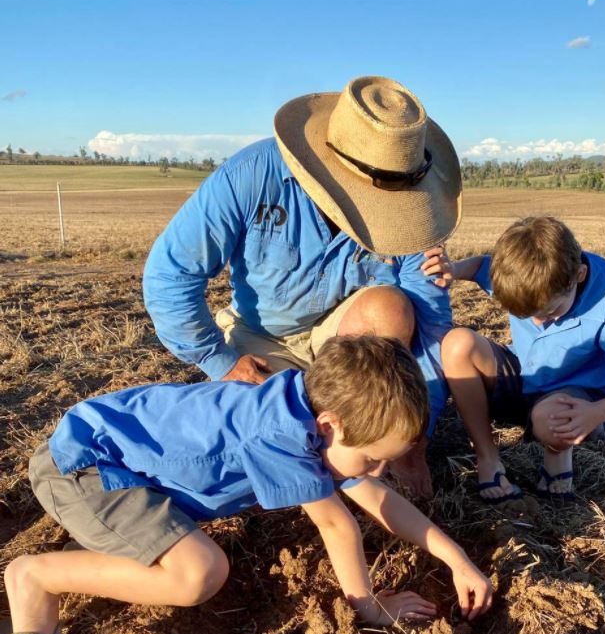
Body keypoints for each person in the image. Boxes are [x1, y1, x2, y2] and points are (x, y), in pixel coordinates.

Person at [1, 336, 493, 634]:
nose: (378, 471)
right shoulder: (279, 434)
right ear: (329, 425)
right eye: (371, 457)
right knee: (199, 572)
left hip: (122, 464)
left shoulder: (312, 412)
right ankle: (36, 576)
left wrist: (458, 560)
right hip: (83, 470)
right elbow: (338, 526)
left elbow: (376, 498)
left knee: (197, 559)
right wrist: (368, 607)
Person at [142, 76, 463, 498]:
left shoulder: (409, 203)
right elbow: (170, 276)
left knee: (393, 308)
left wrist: (413, 436)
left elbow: (431, 323)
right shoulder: (252, 175)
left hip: (346, 338)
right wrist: (219, 361)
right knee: (276, 434)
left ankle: (366, 421)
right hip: (264, 340)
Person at [422, 216, 605, 501]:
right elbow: (479, 267)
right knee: (457, 343)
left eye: (549, 312)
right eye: (526, 315)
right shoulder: (521, 272)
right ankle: (487, 457)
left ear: (579, 276)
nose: (537, 323)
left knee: (555, 418)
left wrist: (598, 412)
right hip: (522, 375)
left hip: (574, 395)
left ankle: (557, 456)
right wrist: (455, 269)